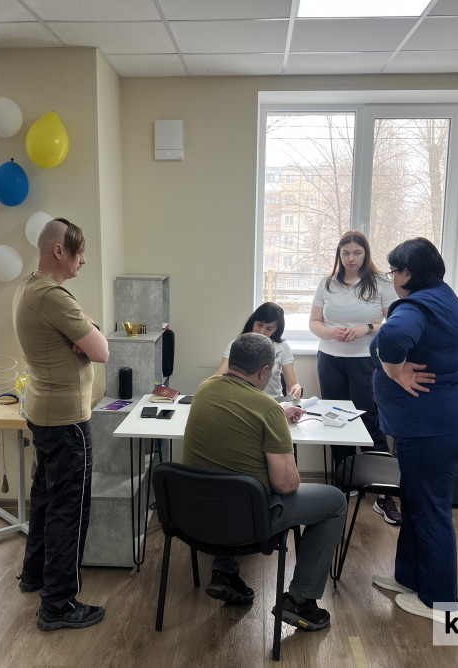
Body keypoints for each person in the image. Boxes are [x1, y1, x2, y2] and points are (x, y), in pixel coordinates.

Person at [183, 332, 347, 632]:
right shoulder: (267, 409)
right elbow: (286, 485)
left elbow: (241, 414)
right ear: (263, 371)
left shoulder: (204, 390)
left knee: (223, 472)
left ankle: (225, 572)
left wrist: (275, 413)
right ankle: (300, 600)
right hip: (249, 522)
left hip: (197, 515)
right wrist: (276, 419)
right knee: (335, 501)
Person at [368, 237, 458, 622]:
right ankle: (409, 577)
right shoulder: (443, 298)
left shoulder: (417, 306)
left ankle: (439, 601)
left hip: (434, 429)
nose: (392, 278)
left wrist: (394, 371)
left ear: (408, 273)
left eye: (393, 271)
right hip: (448, 423)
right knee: (416, 502)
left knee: (430, 510)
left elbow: (392, 338)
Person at [12, 218, 110, 632]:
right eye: (79, 251)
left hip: (43, 413)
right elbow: (101, 350)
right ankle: (58, 604)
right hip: (67, 420)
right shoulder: (53, 296)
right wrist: (87, 336)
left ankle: (34, 575)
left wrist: (86, 333)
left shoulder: (31, 287)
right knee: (70, 509)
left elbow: (90, 333)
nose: (83, 260)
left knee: (47, 499)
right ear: (59, 251)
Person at [309, 230, 401, 525]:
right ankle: (345, 483)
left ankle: (384, 494)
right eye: (346, 253)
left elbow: (394, 321)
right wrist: (329, 332)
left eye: (357, 253)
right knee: (335, 419)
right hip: (330, 358)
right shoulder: (327, 283)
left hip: (366, 359)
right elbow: (314, 322)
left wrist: (367, 328)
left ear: (366, 254)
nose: (351, 258)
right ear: (339, 254)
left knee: (369, 418)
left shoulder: (381, 283)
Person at [213, 301, 303, 401]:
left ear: (276, 330)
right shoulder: (237, 344)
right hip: (242, 401)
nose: (261, 332)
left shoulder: (282, 347)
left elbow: (293, 384)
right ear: (253, 322)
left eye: (269, 329)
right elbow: (219, 376)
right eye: (259, 325)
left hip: (273, 401)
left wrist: (296, 388)